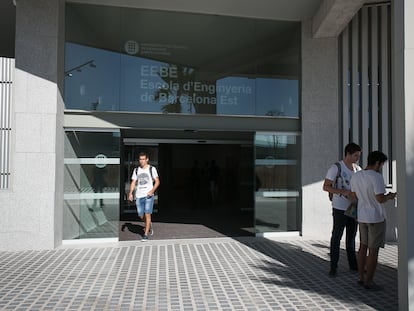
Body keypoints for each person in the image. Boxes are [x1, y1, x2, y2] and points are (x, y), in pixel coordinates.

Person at [350, 151, 396, 290]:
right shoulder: (376, 177)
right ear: (377, 163)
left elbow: (353, 195)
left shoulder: (356, 176)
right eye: (381, 164)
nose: (381, 166)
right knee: (373, 250)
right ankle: (369, 282)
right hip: (376, 217)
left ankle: (360, 277)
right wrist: (390, 196)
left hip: (362, 216)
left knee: (362, 247)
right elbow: (380, 198)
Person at [323, 142, 362, 277]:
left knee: (351, 238)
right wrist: (344, 192)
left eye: (359, 155)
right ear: (348, 154)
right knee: (336, 237)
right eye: (356, 155)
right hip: (339, 208)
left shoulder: (358, 169)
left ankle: (353, 265)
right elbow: (326, 186)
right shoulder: (336, 168)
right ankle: (333, 266)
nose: (358, 158)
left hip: (353, 208)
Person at [128, 152, 160, 241]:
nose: (141, 161)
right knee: (140, 215)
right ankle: (148, 224)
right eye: (140, 159)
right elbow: (133, 182)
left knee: (147, 213)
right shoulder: (136, 170)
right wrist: (130, 193)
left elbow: (157, 181)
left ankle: (145, 234)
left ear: (147, 159)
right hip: (139, 195)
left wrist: (152, 191)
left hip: (148, 195)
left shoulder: (152, 169)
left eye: (143, 159)